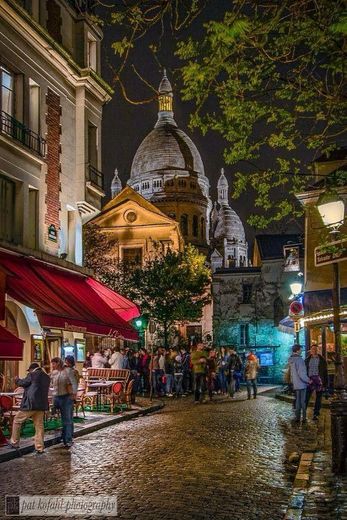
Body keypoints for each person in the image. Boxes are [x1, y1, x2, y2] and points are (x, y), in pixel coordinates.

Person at [9, 362, 50, 454]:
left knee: (17, 420)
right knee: (39, 426)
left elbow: (23, 383)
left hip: (30, 404)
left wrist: (17, 380)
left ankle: (14, 442)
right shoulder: (46, 377)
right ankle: (39, 447)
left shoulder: (32, 374)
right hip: (41, 405)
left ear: (31, 369)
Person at [51, 357, 76, 448]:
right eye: (52, 364)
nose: (52, 366)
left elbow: (73, 384)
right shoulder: (54, 373)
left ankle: (68, 439)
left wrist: (73, 395)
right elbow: (51, 384)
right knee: (58, 418)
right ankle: (63, 436)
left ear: (58, 363)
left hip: (66, 397)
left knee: (67, 420)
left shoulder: (68, 371)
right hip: (56, 397)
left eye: (54, 363)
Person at [288, 344, 311, 424]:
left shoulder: (291, 359)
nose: (301, 351)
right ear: (297, 350)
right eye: (301, 349)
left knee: (298, 400)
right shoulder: (299, 360)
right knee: (303, 401)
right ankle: (304, 418)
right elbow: (301, 373)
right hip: (302, 383)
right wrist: (308, 380)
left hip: (295, 383)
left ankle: (297, 417)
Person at [305, 344, 328, 420]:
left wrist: (325, 384)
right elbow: (304, 371)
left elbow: (325, 372)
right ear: (310, 351)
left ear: (318, 350)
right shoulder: (307, 360)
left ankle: (316, 414)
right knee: (306, 397)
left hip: (319, 380)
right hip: (309, 380)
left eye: (316, 349)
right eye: (313, 349)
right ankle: (303, 412)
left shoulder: (323, 360)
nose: (314, 350)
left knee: (319, 397)